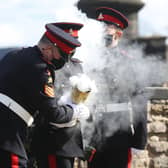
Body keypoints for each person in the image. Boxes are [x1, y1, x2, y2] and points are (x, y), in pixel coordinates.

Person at [0, 22, 87, 168]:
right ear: (48, 48)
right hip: (8, 137)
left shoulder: (14, 55)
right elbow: (53, 113)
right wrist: (74, 111)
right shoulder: (40, 69)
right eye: (61, 55)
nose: (62, 61)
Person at [88, 7, 147, 168]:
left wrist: (139, 141)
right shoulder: (89, 57)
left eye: (106, 26)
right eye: (100, 25)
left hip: (119, 133)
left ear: (118, 32)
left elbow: (139, 102)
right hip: (94, 133)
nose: (102, 30)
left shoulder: (128, 62)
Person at [30, 23, 93, 168]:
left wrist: (85, 110)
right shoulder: (50, 64)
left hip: (70, 138)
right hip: (52, 137)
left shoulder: (77, 66)